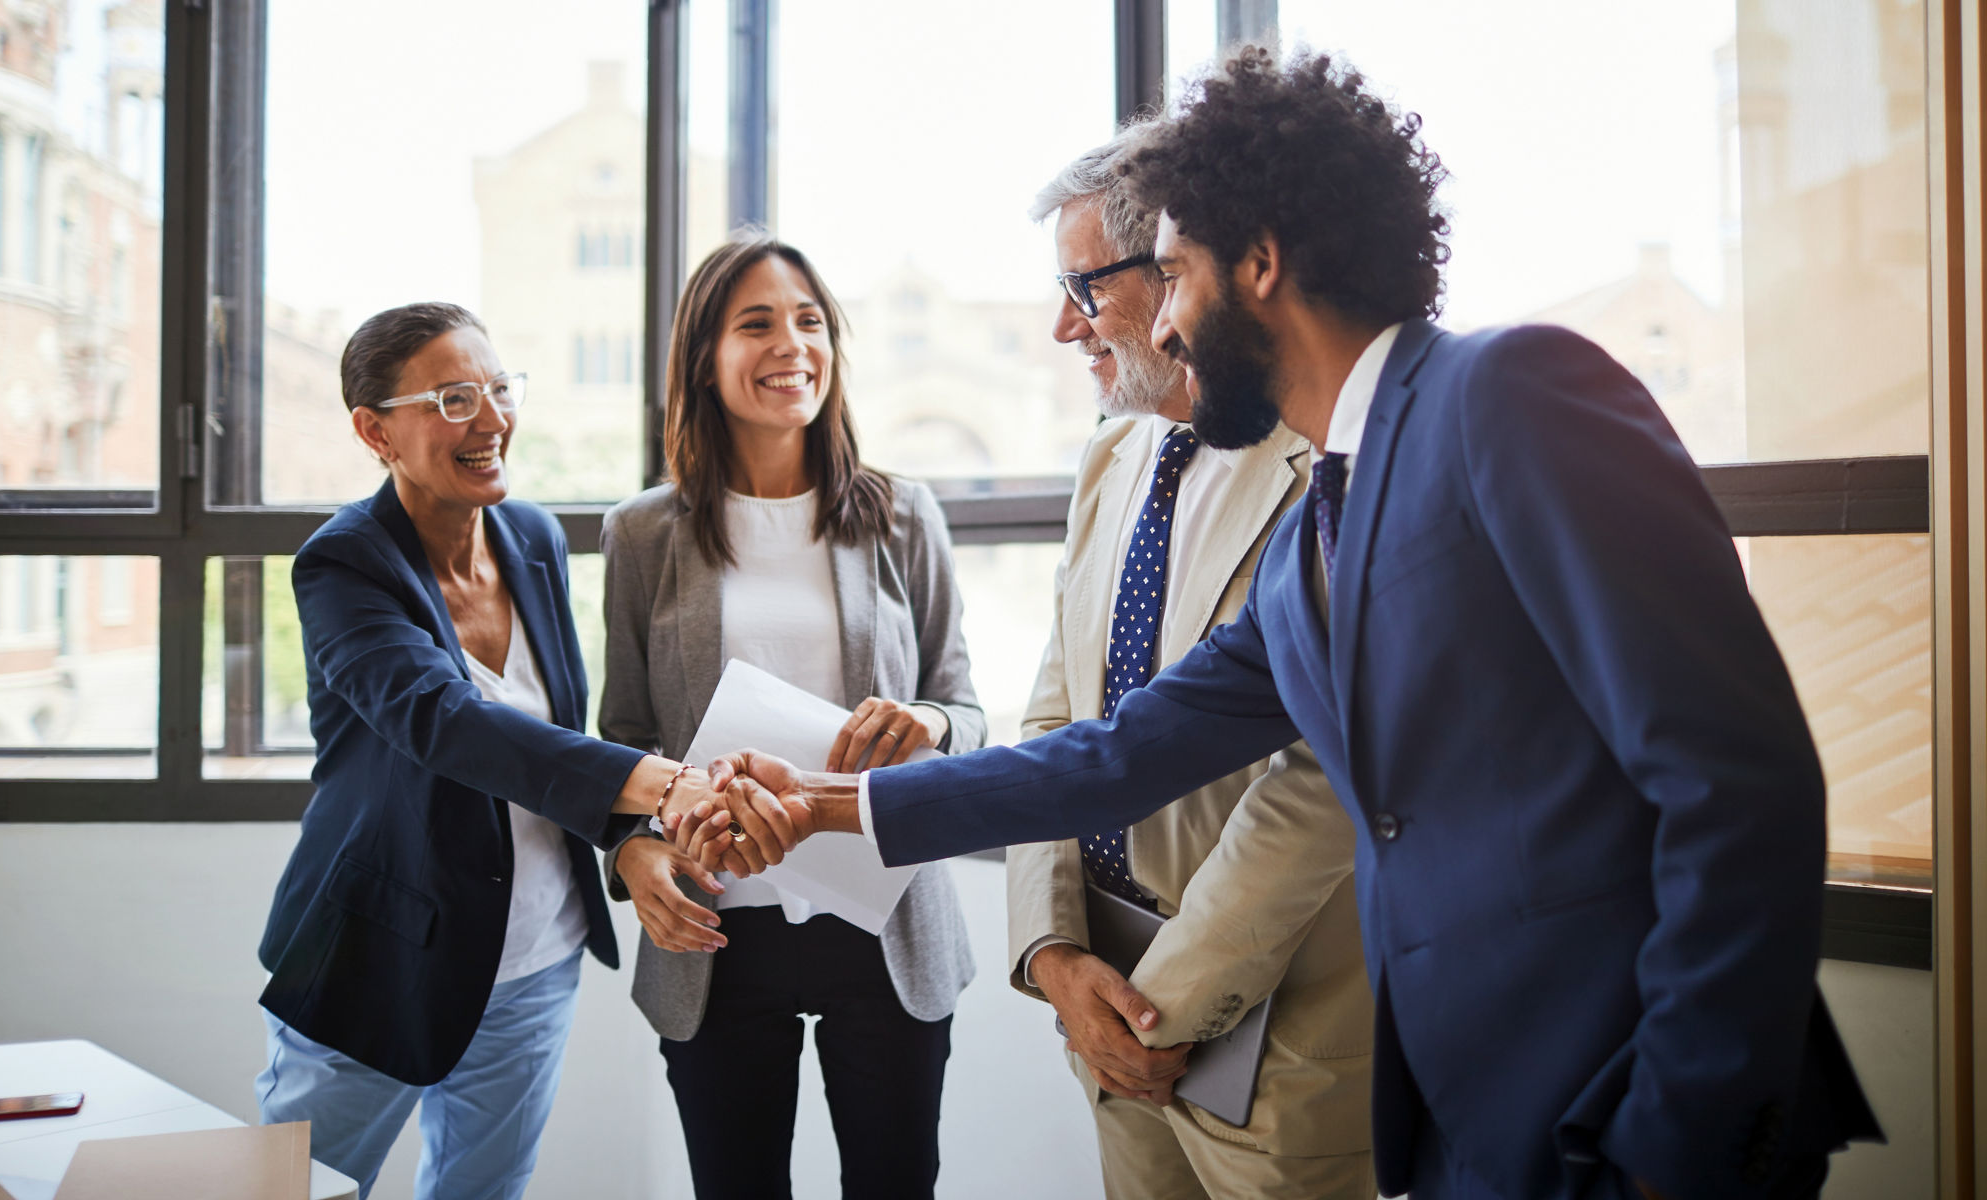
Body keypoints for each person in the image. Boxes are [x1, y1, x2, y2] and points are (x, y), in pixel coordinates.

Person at [680, 49, 1883, 1200]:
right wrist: (825, 804)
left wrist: (1681, 1143)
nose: (1158, 325)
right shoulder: (1323, 514)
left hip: (1629, 1116)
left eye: (1176, 275)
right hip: (1472, 1122)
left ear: (1257, 261)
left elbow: (1739, 783)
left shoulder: (1509, 394)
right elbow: (1118, 753)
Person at [255, 302, 724, 1198]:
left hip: (534, 956)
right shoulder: (344, 564)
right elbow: (441, 721)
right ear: (374, 430)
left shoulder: (533, 538)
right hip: (377, 956)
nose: (493, 419)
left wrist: (628, 834)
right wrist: (656, 784)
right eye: (454, 398)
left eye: (499, 389)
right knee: (295, 1190)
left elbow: (552, 740)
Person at [1009, 131, 1373, 1198]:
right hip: (1100, 995)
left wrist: (1160, 1003)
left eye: (1085, 287)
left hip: (1278, 1031)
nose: (1063, 325)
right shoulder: (1110, 452)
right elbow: (1053, 721)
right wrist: (1051, 956)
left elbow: (1319, 785)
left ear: (1179, 268)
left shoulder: (1326, 466)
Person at [598, 233, 983, 1200]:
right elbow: (622, 739)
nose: (792, 345)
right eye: (758, 323)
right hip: (717, 928)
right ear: (705, 357)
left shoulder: (903, 514)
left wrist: (930, 725)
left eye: (810, 322)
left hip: (884, 919)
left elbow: (968, 709)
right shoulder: (644, 532)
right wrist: (632, 850)